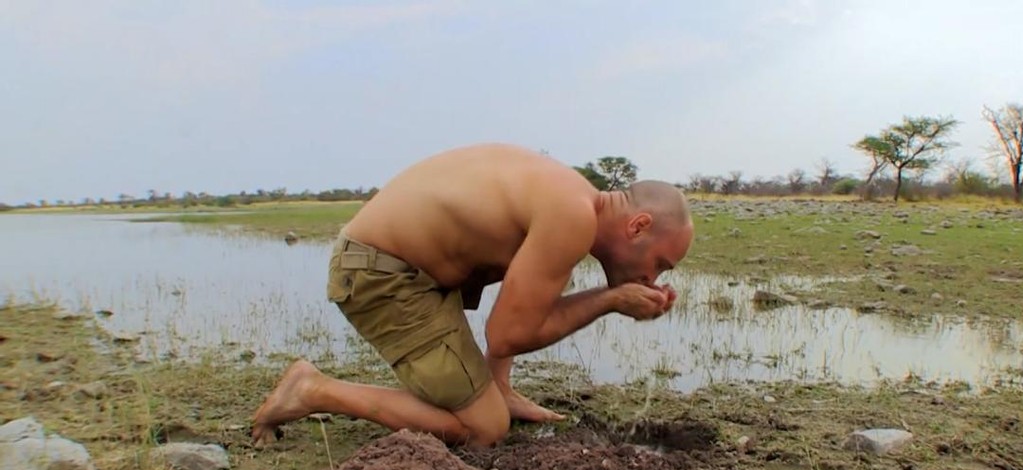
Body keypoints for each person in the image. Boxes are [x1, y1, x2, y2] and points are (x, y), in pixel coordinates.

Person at [250, 143, 693, 448]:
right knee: (484, 428)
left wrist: (498, 385)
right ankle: (312, 390)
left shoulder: (571, 197)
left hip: (411, 271)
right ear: (638, 227)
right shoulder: (572, 217)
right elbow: (506, 335)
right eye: (659, 265)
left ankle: (497, 388)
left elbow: (520, 293)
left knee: (493, 402)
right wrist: (609, 300)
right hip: (381, 273)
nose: (653, 279)